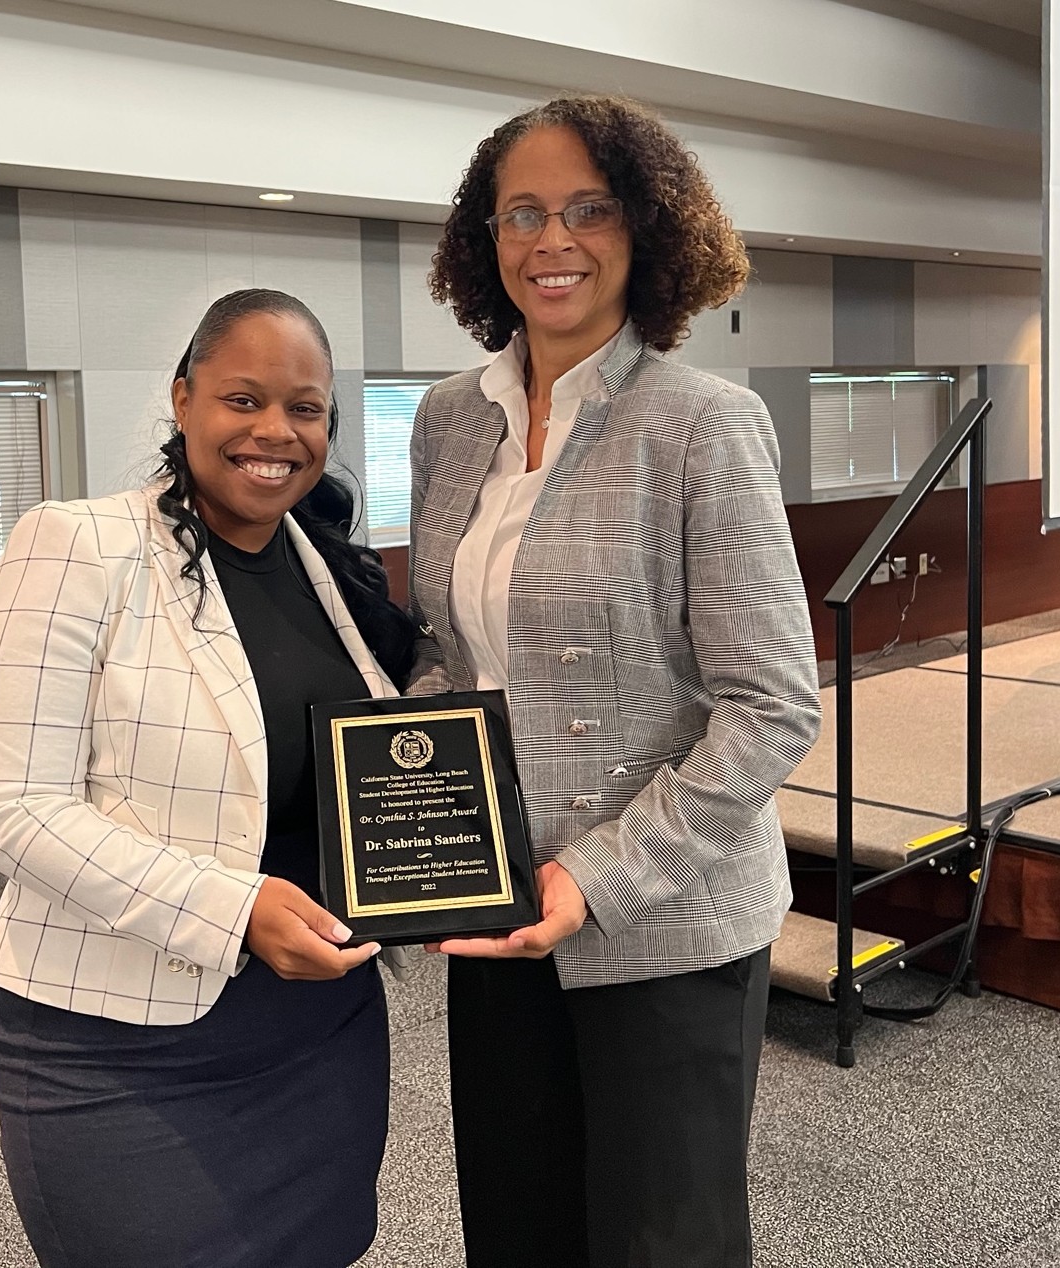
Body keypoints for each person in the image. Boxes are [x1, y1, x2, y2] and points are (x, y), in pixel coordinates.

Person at [408, 95, 822, 1267]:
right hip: (494, 906)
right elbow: (454, 652)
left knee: (658, 1243)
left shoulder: (702, 422)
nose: (554, 240)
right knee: (517, 1217)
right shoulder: (448, 420)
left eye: (590, 210)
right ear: (482, 241)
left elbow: (772, 702)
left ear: (646, 231)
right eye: (522, 213)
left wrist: (594, 877)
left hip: (664, 920)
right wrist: (408, 826)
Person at [0, 289, 416, 1268]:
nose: (274, 431)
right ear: (182, 398)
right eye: (242, 398)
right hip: (118, 1042)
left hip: (320, 1027)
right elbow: (10, 809)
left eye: (305, 408)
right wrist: (229, 907)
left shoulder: (336, 571)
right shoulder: (78, 544)